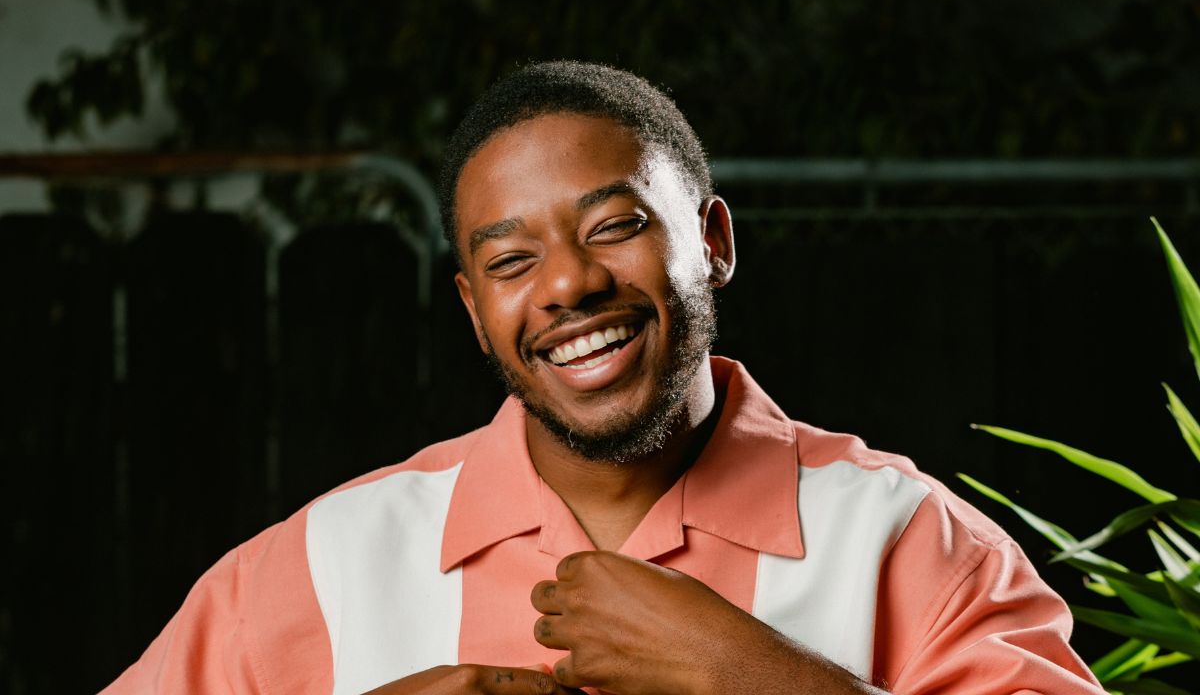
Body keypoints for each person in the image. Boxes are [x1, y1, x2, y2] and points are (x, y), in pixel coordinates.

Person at [103, 61, 1105, 695]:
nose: (569, 284)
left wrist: (760, 679)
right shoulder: (320, 564)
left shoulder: (909, 543)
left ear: (712, 242)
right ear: (474, 310)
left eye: (615, 225)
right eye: (511, 261)